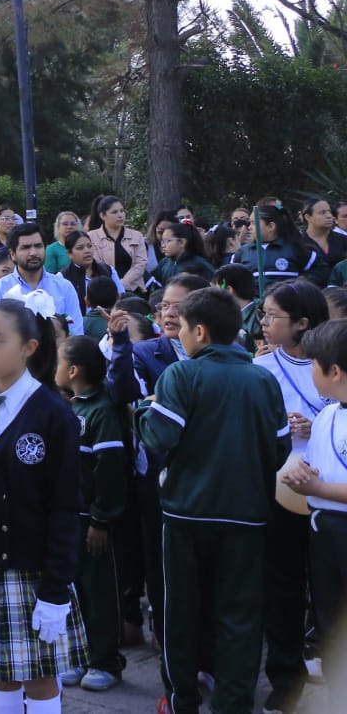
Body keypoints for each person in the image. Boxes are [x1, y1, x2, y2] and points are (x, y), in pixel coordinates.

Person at [135, 288, 290, 714]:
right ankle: (233, 704)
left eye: (181, 328)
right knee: (240, 619)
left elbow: (159, 437)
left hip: (187, 515)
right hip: (248, 517)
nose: (178, 336)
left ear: (199, 331)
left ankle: (182, 701)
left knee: (182, 615)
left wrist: (144, 412)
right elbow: (279, 450)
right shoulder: (263, 379)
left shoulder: (181, 376)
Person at [0, 292, 87, 714]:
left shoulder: (53, 414)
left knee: (40, 675)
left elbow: (64, 507)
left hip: (34, 569)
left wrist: (56, 589)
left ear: (29, 348)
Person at [253, 279, 329, 714]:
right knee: (281, 586)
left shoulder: (332, 362)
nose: (263, 322)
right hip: (279, 492)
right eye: (262, 313)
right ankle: (286, 678)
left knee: (329, 586)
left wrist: (312, 427)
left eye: (272, 316)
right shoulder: (260, 369)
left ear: (303, 323)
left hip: (331, 491)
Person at [54, 336, 127, 692]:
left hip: (94, 521)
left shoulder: (100, 411)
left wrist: (101, 519)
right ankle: (80, 655)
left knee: (99, 592)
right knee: (75, 591)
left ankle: (106, 661)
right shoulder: (72, 407)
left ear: (72, 370)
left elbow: (110, 471)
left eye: (58, 361)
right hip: (71, 518)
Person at [278, 319, 347, 690]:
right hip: (322, 528)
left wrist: (318, 485)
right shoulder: (328, 415)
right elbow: (319, 466)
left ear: (334, 371)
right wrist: (301, 476)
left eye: (314, 365)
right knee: (329, 620)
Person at [0, 224, 84, 338]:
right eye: (25, 247)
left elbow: (75, 331)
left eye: (38, 246)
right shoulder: (0, 289)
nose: (33, 253)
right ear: (13, 254)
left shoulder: (63, 286)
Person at [86, 196, 149, 296]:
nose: (120, 215)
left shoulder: (136, 236)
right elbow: (96, 264)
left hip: (133, 289)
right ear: (102, 215)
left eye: (122, 211)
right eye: (114, 212)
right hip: (104, 291)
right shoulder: (91, 236)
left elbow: (140, 264)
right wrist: (113, 286)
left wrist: (121, 284)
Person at [148, 222, 216, 288]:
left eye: (167, 241)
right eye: (162, 241)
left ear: (182, 242)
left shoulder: (199, 264)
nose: (163, 245)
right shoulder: (164, 262)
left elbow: (218, 284)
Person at [301, 196, 347, 268]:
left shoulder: (343, 240)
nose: (329, 216)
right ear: (308, 217)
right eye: (322, 212)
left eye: (329, 212)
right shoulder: (299, 243)